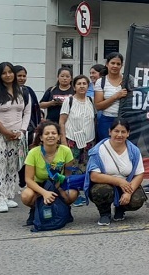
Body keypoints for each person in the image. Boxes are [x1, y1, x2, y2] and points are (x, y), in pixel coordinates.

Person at [0, 62, 31, 213]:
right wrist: (5, 131)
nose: (8, 75)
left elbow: (27, 112)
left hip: (17, 134)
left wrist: (22, 131)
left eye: (10, 72)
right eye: (4, 73)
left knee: (12, 165)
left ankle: (8, 195)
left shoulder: (22, 91)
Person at [85, 120, 146, 226]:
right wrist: (118, 181)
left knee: (137, 199)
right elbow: (94, 176)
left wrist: (128, 193)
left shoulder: (134, 151)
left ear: (128, 133)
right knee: (101, 191)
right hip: (106, 183)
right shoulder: (99, 150)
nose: (119, 135)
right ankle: (105, 213)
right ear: (110, 132)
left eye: (123, 132)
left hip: (127, 184)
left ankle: (120, 209)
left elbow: (139, 174)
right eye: (116, 131)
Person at [21, 121, 79, 225]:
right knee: (26, 195)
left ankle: (64, 208)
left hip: (58, 183)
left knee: (72, 193)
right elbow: (28, 180)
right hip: (39, 185)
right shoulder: (33, 153)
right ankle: (36, 209)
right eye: (47, 134)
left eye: (54, 133)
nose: (50, 136)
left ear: (59, 137)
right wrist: (44, 193)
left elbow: (68, 175)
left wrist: (58, 189)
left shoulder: (66, 151)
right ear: (41, 138)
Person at [59, 75, 97, 207]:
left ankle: (82, 192)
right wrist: (63, 140)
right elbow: (62, 122)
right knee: (71, 168)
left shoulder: (91, 101)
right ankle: (72, 194)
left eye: (84, 84)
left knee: (84, 168)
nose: (82, 86)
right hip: (71, 140)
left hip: (88, 141)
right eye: (79, 84)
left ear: (88, 86)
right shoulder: (69, 101)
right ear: (74, 87)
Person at [94, 53, 128, 141]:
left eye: (118, 64)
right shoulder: (101, 82)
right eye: (112, 63)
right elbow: (98, 106)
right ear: (107, 64)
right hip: (107, 120)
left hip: (125, 119)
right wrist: (115, 96)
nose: (115, 66)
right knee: (106, 148)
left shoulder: (128, 80)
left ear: (122, 66)